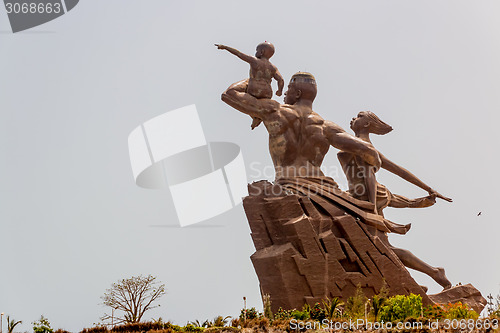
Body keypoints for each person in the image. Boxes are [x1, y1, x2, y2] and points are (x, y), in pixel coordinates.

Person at [338, 110, 453, 289]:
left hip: (367, 199)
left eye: (359, 116)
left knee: (380, 248)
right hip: (358, 197)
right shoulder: (357, 144)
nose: (353, 118)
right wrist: (428, 189)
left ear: (367, 124)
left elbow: (369, 175)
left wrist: (372, 210)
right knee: (380, 247)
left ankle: (427, 275)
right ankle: (428, 274)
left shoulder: (364, 147)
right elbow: (400, 171)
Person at [215, 42, 284, 129]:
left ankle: (255, 116)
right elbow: (280, 80)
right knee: (252, 103)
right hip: (267, 94)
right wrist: (279, 91)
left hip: (255, 91)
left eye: (257, 50)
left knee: (234, 95)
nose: (256, 52)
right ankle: (255, 117)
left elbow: (238, 54)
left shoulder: (254, 60)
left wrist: (225, 47)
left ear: (262, 51)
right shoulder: (273, 67)